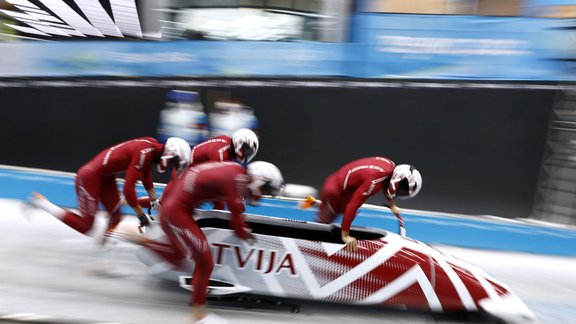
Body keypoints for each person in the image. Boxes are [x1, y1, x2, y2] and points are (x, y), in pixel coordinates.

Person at [121, 160, 284, 323]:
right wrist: (247, 235)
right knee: (205, 262)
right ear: (259, 179)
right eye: (265, 189)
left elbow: (230, 202)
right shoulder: (236, 180)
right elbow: (236, 222)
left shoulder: (236, 172)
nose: (263, 194)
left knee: (178, 261)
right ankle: (198, 314)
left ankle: (142, 240)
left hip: (174, 208)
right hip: (176, 212)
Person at [28, 137, 192, 239]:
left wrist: (154, 199)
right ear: (171, 153)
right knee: (87, 226)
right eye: (173, 162)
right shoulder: (144, 152)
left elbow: (146, 175)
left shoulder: (151, 148)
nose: (170, 166)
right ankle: (41, 202)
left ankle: (102, 262)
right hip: (90, 177)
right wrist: (141, 216)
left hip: (106, 177)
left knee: (116, 219)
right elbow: (128, 190)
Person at [300, 157, 422, 251]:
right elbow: (353, 204)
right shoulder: (375, 179)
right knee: (323, 224)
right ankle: (306, 248)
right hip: (334, 192)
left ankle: (315, 203)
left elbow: (387, 182)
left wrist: (392, 204)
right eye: (402, 189)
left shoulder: (389, 165)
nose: (400, 192)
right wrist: (345, 235)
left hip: (341, 187)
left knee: (345, 211)